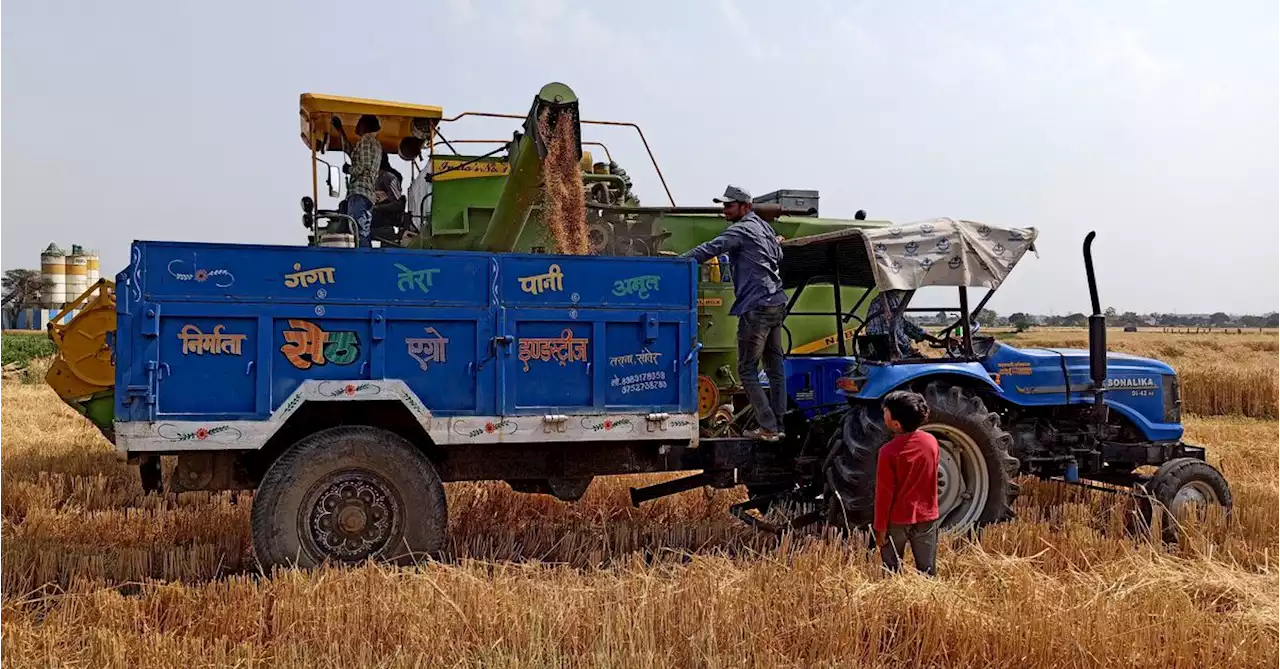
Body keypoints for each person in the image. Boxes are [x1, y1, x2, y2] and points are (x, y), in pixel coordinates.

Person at [684, 185, 787, 441]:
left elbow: (710, 249)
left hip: (756, 305)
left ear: (745, 207)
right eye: (723, 206)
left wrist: (676, 262)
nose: (724, 210)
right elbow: (779, 254)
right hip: (776, 302)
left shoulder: (741, 229)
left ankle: (768, 427)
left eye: (729, 206)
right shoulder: (765, 227)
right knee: (774, 368)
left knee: (747, 369)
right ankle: (780, 425)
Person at [874, 390, 941, 576]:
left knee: (891, 571)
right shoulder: (932, 442)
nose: (882, 413)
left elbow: (884, 494)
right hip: (927, 517)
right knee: (927, 571)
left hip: (896, 521)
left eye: (885, 411)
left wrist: (880, 528)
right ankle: (929, 602)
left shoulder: (887, 452)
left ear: (896, 424)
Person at [346, 114, 382, 247]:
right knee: (364, 229)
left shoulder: (366, 141)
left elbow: (363, 166)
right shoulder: (378, 146)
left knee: (356, 228)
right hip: (369, 193)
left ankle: (361, 257)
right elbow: (355, 155)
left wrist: (349, 170)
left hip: (359, 190)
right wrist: (341, 133)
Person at [865, 289, 934, 359]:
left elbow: (902, 323)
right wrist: (910, 349)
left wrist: (924, 335)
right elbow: (894, 329)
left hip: (884, 346)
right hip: (888, 350)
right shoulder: (890, 300)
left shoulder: (881, 299)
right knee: (925, 359)